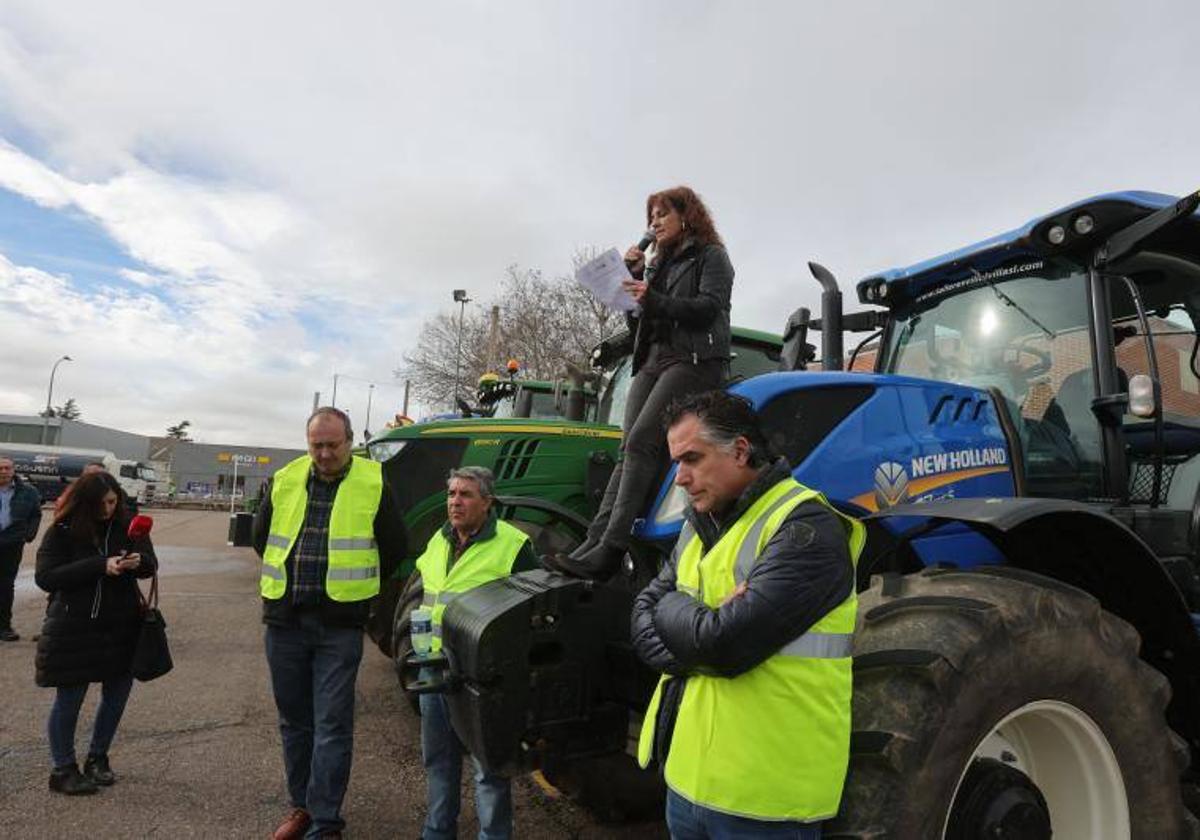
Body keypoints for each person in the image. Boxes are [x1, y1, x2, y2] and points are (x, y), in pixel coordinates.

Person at [631, 391, 864, 838]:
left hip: (766, 801)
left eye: (693, 459)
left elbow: (721, 645)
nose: (680, 478)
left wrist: (680, 616)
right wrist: (700, 623)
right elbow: (642, 614)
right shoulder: (698, 527)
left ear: (740, 451)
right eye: (676, 462)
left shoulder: (804, 528)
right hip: (689, 784)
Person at [564, 185, 734, 578]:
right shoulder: (657, 265)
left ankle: (612, 549)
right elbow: (638, 321)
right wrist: (635, 280)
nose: (654, 223)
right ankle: (593, 541)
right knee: (628, 448)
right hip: (653, 358)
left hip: (693, 359)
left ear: (686, 216)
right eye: (650, 217)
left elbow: (709, 309)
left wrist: (652, 298)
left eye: (662, 214)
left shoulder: (712, 256)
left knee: (643, 440)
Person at [253, 406, 404, 840]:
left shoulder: (373, 482)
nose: (323, 453)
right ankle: (301, 807)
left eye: (332, 445)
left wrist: (359, 590)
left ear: (350, 441)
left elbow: (395, 547)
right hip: (285, 623)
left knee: (333, 725)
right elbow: (263, 540)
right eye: (316, 445)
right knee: (294, 723)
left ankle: (325, 822)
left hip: (338, 626)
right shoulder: (285, 479)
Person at [413, 466, 536, 840]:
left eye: (465, 494)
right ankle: (437, 832)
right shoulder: (439, 539)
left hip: (482, 679)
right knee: (439, 762)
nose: (455, 501)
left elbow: (533, 613)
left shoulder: (514, 546)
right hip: (434, 670)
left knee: (489, 769)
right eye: (451, 493)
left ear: (487, 502)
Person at [34, 471, 157, 795]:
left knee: (116, 696)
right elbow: (46, 577)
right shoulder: (62, 530)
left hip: (121, 624)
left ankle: (98, 758)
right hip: (74, 626)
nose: (108, 509)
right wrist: (100, 565)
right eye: (101, 503)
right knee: (69, 699)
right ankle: (63, 768)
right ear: (85, 502)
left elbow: (150, 565)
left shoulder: (128, 525)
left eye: (113, 502)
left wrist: (137, 560)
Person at [0, 455, 43, 641]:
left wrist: (29, 534)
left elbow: (36, 514)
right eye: (0, 468)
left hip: (12, 544)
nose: (3, 472)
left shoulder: (29, 492)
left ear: (13, 470)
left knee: (5, 586)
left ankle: (3, 627)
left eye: (7, 468)